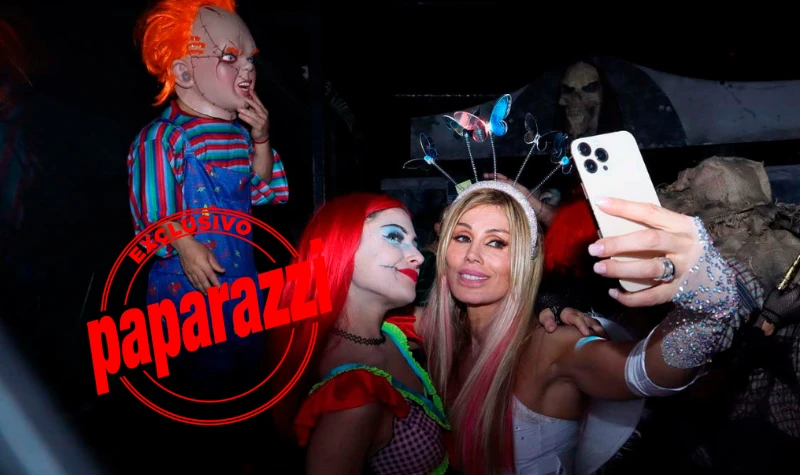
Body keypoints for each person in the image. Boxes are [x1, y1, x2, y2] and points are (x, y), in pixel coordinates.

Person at [420, 179, 756, 474]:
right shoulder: (433, 336)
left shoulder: (552, 344)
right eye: (462, 237)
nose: (472, 255)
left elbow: (647, 371)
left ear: (525, 259)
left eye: (496, 242)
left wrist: (707, 304)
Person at [127, 0, 288, 394]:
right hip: (187, 291)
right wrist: (185, 244)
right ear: (183, 72)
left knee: (247, 379)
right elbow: (153, 209)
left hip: (242, 285)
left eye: (249, 59)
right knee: (197, 383)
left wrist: (261, 139)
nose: (247, 69)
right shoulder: (162, 137)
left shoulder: (238, 136)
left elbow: (258, 188)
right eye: (230, 57)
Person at [270, 193, 450, 475]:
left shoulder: (392, 331)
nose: (417, 257)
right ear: (342, 245)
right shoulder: (352, 396)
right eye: (394, 237)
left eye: (414, 242)